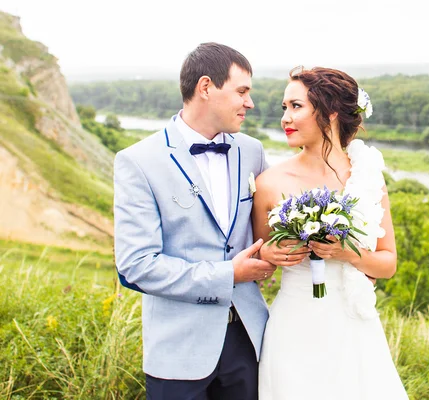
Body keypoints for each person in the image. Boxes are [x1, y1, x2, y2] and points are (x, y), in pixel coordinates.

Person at [113, 42, 276, 400]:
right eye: (242, 91)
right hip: (178, 351)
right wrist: (227, 275)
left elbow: (274, 224)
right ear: (205, 88)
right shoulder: (138, 162)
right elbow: (136, 266)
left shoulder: (252, 151)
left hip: (249, 341)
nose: (250, 102)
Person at [252, 67, 410, 399]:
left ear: (331, 112)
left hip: (354, 329)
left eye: (296, 106)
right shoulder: (269, 183)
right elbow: (256, 267)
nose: (285, 117)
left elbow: (388, 263)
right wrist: (267, 255)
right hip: (293, 329)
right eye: (284, 107)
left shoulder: (367, 177)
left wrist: (345, 252)